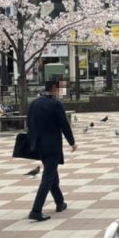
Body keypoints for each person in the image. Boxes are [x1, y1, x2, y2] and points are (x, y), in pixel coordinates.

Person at [25, 78, 76, 222]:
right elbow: (64, 124)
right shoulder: (56, 104)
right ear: (54, 88)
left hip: (39, 145)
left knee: (52, 173)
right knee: (48, 177)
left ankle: (60, 202)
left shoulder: (34, 103)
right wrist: (72, 142)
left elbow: (29, 122)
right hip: (52, 145)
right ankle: (36, 210)